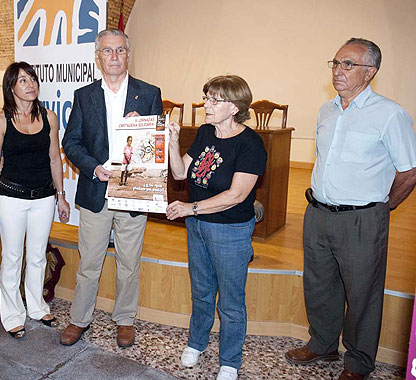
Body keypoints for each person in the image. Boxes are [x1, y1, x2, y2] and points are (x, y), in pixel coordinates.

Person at [285, 38, 416, 380]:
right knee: (319, 285)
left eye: (348, 64)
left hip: (362, 219)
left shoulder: (390, 114)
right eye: (335, 62)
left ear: (370, 72)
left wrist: (384, 207)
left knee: (362, 295)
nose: (337, 70)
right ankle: (323, 344)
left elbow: (409, 171)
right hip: (318, 213)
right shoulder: (326, 110)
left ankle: (358, 363)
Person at [60, 29, 162, 348]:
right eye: (108, 51)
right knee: (89, 262)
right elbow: (71, 142)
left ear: (128, 54)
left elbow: (157, 142)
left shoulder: (149, 93)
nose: (114, 56)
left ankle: (125, 319)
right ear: (98, 56)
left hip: (134, 193)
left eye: (120, 50)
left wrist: (143, 124)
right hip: (96, 193)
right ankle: (79, 319)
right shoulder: (84, 95)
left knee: (129, 263)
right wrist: (93, 168)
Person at [166, 75, 266, 380]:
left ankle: (230, 361)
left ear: (235, 107)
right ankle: (196, 343)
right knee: (202, 291)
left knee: (232, 300)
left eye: (214, 100)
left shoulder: (251, 144)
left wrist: (189, 208)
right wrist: (172, 141)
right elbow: (181, 172)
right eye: (206, 97)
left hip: (230, 230)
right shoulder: (206, 133)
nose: (206, 104)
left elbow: (235, 196)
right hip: (197, 226)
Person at [0, 62, 70, 339]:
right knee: (12, 257)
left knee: (36, 256)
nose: (30, 84)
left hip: (44, 197)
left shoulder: (49, 117)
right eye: (23, 80)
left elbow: (54, 158)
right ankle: (11, 314)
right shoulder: (1, 121)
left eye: (32, 78)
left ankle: (36, 306)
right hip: (11, 197)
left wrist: (61, 196)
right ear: (11, 87)